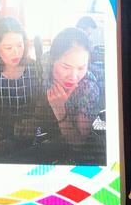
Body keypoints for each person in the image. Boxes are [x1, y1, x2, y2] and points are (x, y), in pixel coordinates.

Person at [27, 28, 103, 165]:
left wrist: (60, 110)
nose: (74, 76)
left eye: (81, 68)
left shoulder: (88, 88)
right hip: (45, 137)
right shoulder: (45, 68)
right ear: (52, 61)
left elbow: (78, 144)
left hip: (75, 155)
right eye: (66, 67)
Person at [0, 17, 41, 162]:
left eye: (20, 45)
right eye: (8, 48)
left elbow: (40, 101)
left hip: (31, 137)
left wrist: (34, 122)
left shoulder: (33, 68)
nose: (16, 53)